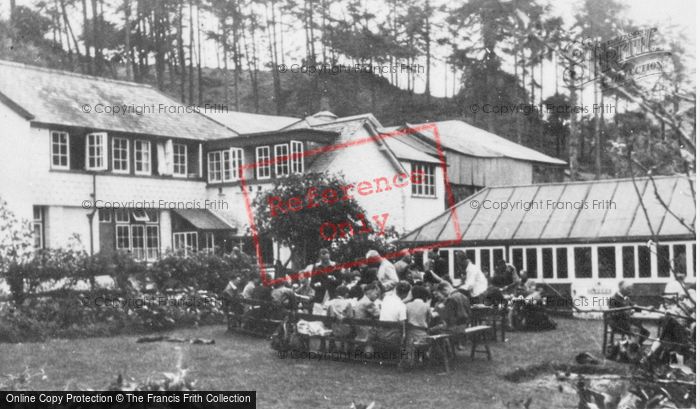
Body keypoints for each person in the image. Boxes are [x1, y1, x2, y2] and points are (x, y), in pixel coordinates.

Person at [375, 281, 411, 350]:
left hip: (380, 334)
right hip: (392, 338)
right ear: (405, 294)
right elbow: (402, 325)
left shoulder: (386, 299)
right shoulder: (402, 305)